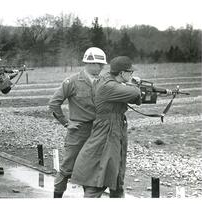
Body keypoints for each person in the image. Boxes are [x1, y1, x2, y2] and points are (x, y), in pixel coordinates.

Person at [71, 56, 142, 198]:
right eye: (130, 73)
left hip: (115, 127)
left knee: (116, 173)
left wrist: (128, 85)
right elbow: (135, 93)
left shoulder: (109, 79)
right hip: (107, 130)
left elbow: (134, 99)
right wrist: (134, 84)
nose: (132, 75)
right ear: (122, 73)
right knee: (101, 174)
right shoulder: (108, 86)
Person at [48, 47, 107, 198]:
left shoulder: (104, 81)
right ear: (89, 63)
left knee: (93, 168)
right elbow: (54, 103)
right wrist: (66, 123)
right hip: (78, 131)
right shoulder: (72, 81)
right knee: (67, 167)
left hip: (97, 132)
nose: (101, 67)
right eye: (98, 64)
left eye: (102, 65)